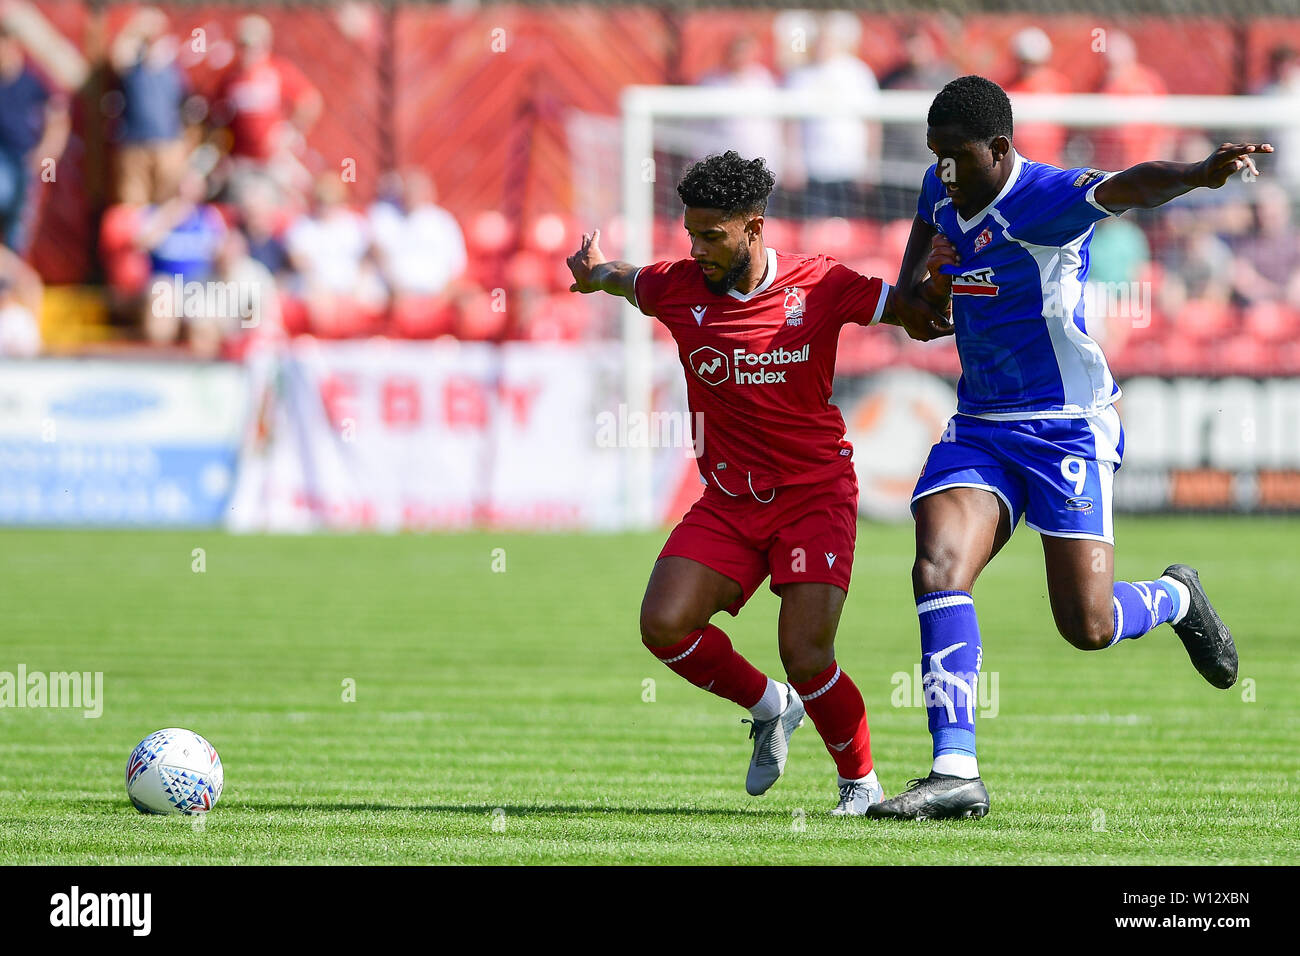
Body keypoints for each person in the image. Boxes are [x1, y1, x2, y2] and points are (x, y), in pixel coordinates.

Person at [870, 76, 1260, 820]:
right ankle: (955, 770)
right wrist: (914, 288)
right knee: (937, 565)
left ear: (1001, 148)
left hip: (1065, 425)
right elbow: (926, 217)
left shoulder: (1043, 198)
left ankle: (1177, 597)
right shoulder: (942, 177)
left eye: (957, 157)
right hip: (982, 423)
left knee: (1086, 626)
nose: (944, 171)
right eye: (936, 156)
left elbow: (1132, 186)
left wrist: (1199, 175)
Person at [564, 151, 951, 815]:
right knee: (663, 624)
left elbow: (919, 320)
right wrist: (596, 271)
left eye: (711, 236)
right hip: (730, 503)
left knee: (805, 652)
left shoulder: (821, 285)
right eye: (690, 234)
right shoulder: (677, 286)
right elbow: (628, 279)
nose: (698, 250)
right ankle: (772, 706)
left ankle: (859, 784)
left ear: (753, 226)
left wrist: (941, 285)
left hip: (815, 496)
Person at [0, 23, 70, 252]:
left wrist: (46, 154)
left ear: (13, 46)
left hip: (24, 159)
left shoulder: (33, 81)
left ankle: (10, 280)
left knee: (20, 222)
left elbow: (58, 119)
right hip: (4, 159)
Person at [110, 7, 190, 204]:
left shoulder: (173, 66)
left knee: (167, 203)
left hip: (169, 143)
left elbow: (186, 103)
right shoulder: (132, 64)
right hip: (135, 144)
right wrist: (138, 27)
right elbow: (117, 54)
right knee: (133, 205)